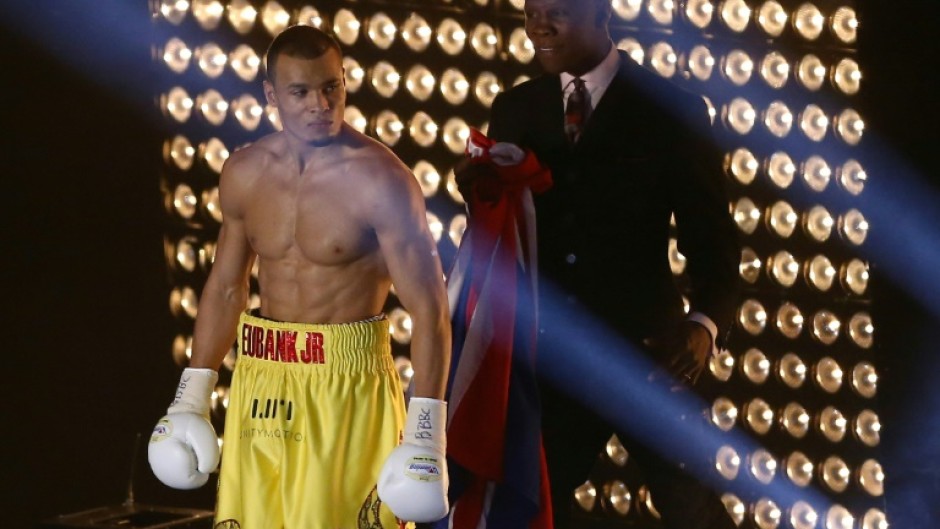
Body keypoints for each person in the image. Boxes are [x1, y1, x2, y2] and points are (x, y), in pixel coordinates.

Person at [147, 25, 451, 529]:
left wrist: (425, 434)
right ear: (271, 94)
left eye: (331, 87)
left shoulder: (383, 181)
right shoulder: (245, 172)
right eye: (301, 92)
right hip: (260, 377)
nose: (320, 104)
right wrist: (190, 399)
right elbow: (227, 288)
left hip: (347, 384)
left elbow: (430, 311)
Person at [454, 1, 741, 528]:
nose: (539, 24)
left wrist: (702, 328)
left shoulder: (671, 110)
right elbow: (503, 235)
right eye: (530, 10)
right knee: (532, 508)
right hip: (550, 359)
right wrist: (478, 193)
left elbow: (715, 248)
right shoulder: (515, 109)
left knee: (692, 508)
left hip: (651, 357)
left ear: (601, 12)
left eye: (556, 11)